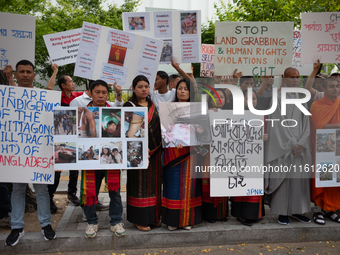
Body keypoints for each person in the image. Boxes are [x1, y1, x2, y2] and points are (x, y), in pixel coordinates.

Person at [5, 60, 56, 246]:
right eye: (21, 72)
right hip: (16, 153)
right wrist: (8, 78)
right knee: (17, 190)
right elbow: (13, 96)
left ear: (34, 75)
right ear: (16, 75)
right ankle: (17, 227)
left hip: (39, 152)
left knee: (42, 190)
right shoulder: (8, 95)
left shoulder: (41, 95)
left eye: (28, 72)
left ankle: (46, 225)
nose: (25, 74)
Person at [264, 67, 313, 225]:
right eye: (292, 77)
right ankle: (282, 212)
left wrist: (302, 143)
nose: (296, 80)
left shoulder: (301, 98)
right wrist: (293, 143)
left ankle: (298, 211)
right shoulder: (277, 98)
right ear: (284, 78)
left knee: (299, 181)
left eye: (298, 77)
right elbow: (278, 124)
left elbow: (307, 125)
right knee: (284, 180)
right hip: (284, 145)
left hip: (300, 146)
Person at [81, 80, 125, 238]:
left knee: (114, 191)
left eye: (104, 92)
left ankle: (116, 221)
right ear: (90, 93)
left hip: (110, 157)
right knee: (90, 191)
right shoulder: (82, 111)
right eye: (97, 92)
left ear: (108, 94)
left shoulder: (113, 111)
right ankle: (91, 222)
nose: (101, 95)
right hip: (91, 158)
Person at [161, 78, 203, 231]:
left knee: (189, 186)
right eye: (180, 88)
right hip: (172, 152)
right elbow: (166, 131)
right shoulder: (168, 109)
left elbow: (203, 133)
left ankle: (187, 219)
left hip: (191, 152)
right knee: (173, 184)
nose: (183, 91)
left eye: (186, 89)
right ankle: (172, 220)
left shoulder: (197, 110)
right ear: (176, 90)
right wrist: (174, 139)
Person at [124, 75, 162, 231]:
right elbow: (127, 131)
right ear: (134, 88)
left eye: (146, 86)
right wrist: (139, 147)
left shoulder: (152, 104)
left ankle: (153, 217)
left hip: (155, 152)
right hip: (137, 154)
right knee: (139, 186)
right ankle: (139, 219)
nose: (144, 89)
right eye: (140, 86)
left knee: (154, 185)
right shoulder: (129, 105)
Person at [230, 89, 268, 226]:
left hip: (255, 156)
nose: (251, 101)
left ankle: (253, 214)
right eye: (248, 98)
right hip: (239, 156)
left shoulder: (261, 116)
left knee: (254, 185)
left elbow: (266, 132)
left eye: (254, 99)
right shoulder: (234, 115)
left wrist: (265, 137)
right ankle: (241, 215)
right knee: (241, 186)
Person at [310, 77, 340, 224]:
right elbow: (319, 126)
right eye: (332, 86)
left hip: (337, 147)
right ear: (324, 89)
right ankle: (318, 210)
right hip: (323, 148)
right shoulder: (317, 105)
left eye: (337, 86)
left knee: (335, 178)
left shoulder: (339, 103)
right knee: (323, 178)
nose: (335, 89)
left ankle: (331, 210)